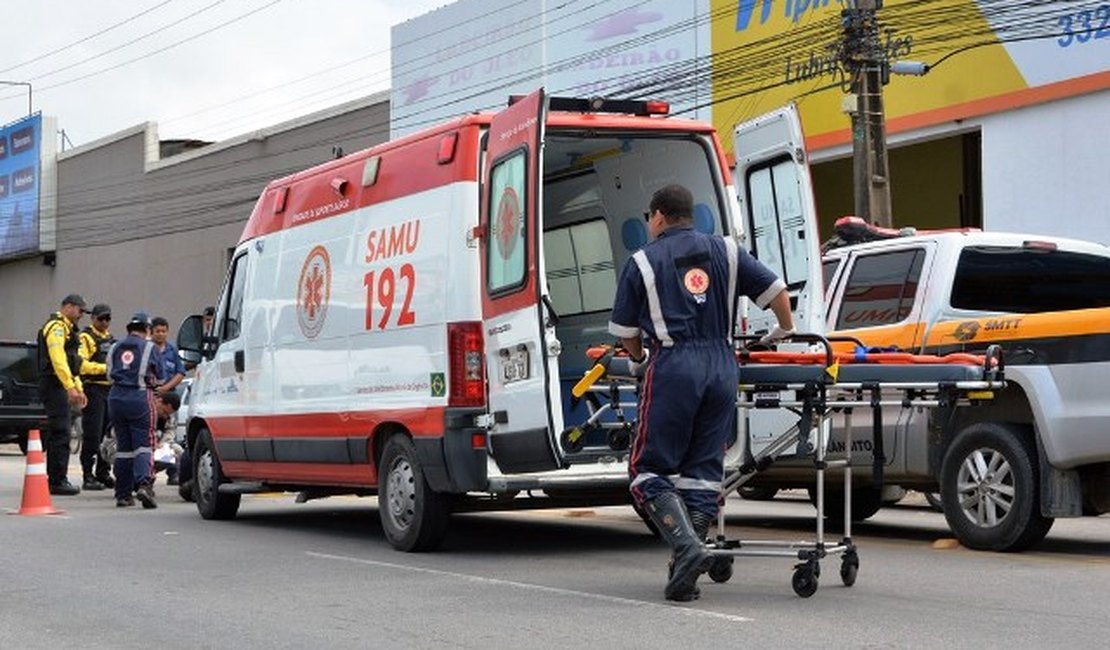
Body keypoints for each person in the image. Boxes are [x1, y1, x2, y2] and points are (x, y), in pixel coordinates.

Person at [609, 184, 795, 601]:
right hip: (722, 366)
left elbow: (627, 336)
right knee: (702, 474)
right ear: (689, 215)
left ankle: (687, 547)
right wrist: (781, 331)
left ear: (657, 216)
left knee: (648, 470)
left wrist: (639, 361)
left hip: (674, 367)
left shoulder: (642, 261)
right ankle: (684, 575)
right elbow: (779, 296)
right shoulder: (727, 251)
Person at [108, 312, 165, 508]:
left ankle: (123, 494)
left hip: (115, 398)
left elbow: (108, 373)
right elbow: (161, 377)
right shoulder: (150, 347)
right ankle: (144, 485)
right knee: (144, 445)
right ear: (147, 329)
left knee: (123, 448)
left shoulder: (115, 346)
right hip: (140, 397)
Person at [36, 294, 89, 496]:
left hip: (59, 383)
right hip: (53, 382)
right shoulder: (56, 327)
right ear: (68, 307)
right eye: (80, 310)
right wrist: (70, 387)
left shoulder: (68, 330)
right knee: (61, 431)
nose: (81, 315)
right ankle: (57, 480)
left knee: (60, 430)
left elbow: (71, 364)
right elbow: (58, 360)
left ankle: (56, 477)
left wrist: (77, 387)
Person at [78, 303, 117, 490]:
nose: (104, 322)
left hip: (110, 391)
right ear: (93, 318)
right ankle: (87, 475)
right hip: (93, 390)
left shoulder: (111, 339)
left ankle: (103, 472)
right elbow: (82, 365)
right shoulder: (86, 337)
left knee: (108, 435)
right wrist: (106, 369)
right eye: (100, 318)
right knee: (93, 435)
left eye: (107, 318)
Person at [152, 391, 183, 486]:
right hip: (123, 448)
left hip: (153, 447)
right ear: (159, 401)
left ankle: (148, 475)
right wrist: (152, 444)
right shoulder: (143, 411)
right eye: (164, 412)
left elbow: (169, 435)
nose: (165, 416)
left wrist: (161, 445)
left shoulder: (169, 418)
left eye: (168, 414)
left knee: (176, 450)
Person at [150, 316, 186, 397]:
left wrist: (165, 388)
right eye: (158, 331)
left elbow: (180, 373)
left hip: (169, 394)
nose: (161, 334)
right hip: (150, 394)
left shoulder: (172, 350)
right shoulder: (146, 349)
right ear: (151, 332)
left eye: (163, 331)